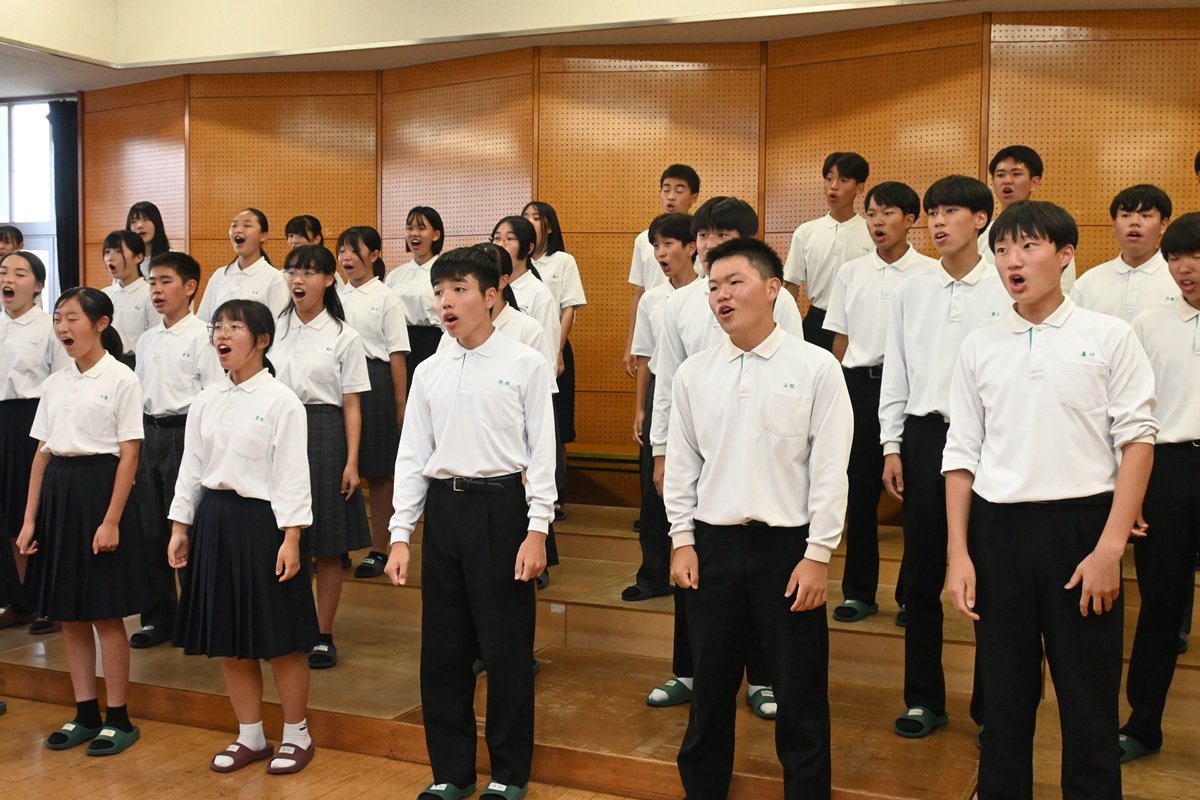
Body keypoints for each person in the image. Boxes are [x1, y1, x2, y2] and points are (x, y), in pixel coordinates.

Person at [944, 200, 1156, 799]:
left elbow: (1138, 442)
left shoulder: (1109, 336)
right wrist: (959, 553)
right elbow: (961, 453)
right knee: (1004, 702)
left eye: (1028, 246)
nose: (1013, 261)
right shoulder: (979, 345)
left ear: (1065, 255)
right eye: (1002, 250)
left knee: (1089, 703)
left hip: (1083, 531)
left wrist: (1110, 549)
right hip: (998, 532)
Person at [666, 236, 852, 800]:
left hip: (788, 550)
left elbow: (830, 470)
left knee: (800, 694)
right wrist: (681, 539)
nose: (721, 295)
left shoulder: (816, 367)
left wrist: (818, 554)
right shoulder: (694, 374)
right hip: (713, 547)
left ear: (773, 289)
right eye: (713, 287)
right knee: (710, 690)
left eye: (735, 282)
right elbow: (682, 466)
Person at [384, 246, 555, 800]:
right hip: (445, 512)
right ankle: (451, 773)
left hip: (502, 510)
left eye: (459, 290)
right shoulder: (429, 371)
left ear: (491, 296)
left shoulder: (524, 362)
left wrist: (537, 529)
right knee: (443, 652)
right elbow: (412, 455)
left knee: (506, 651)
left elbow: (543, 454)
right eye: (439, 292)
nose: (446, 302)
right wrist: (400, 534)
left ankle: (508, 774)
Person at [647, 196, 802, 717]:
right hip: (699, 448)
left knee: (757, 574)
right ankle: (688, 670)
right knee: (690, 561)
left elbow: (794, 373)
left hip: (759, 452)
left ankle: (762, 678)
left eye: (722, 236)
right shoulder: (680, 304)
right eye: (704, 236)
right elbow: (668, 383)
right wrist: (662, 450)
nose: (710, 245)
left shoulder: (777, 301)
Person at [878, 175, 1010, 739]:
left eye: (950, 211)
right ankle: (923, 699)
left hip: (993, 441)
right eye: (932, 212)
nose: (937, 222)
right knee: (921, 576)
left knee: (992, 577)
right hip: (925, 437)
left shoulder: (1006, 285)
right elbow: (897, 371)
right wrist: (891, 444)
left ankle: (992, 708)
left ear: (981, 219)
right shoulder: (912, 289)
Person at [168, 299, 319, 775]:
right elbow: (191, 467)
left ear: (262, 340)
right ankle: (250, 735)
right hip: (214, 519)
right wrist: (180, 526)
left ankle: (297, 734)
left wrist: (292, 538)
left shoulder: (281, 401)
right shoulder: (206, 399)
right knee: (229, 636)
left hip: (265, 524)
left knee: (281, 639)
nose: (222, 335)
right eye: (218, 326)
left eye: (234, 327)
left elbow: (293, 474)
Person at [17, 287, 146, 756]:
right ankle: (85, 712)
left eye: (72, 318)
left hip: (100, 490)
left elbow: (129, 454)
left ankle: (119, 717)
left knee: (106, 614)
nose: (63, 327)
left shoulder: (122, 378)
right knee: (69, 614)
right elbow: (41, 453)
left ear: (101, 323)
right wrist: (30, 520)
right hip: (59, 493)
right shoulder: (55, 383)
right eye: (58, 319)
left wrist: (111, 520)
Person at [822, 181, 936, 624]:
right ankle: (859, 592)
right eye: (871, 214)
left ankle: (912, 596)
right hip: (860, 386)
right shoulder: (851, 272)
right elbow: (840, 338)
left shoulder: (930, 272)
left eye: (888, 213)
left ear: (910, 220)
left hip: (914, 390)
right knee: (860, 492)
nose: (877, 222)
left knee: (919, 497)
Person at [1118, 211, 1200, 763]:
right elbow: (1133, 411)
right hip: (1166, 469)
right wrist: (1132, 490)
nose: (1183, 268)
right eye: (1174, 258)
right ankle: (1143, 724)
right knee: (1160, 607)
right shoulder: (1148, 323)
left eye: (1194, 256)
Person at [273, 245, 371, 669]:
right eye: (292, 271)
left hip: (324, 432)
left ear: (329, 280)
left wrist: (352, 461)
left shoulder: (344, 335)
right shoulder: (271, 329)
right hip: (275, 430)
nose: (298, 280)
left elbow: (351, 404)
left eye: (309, 272)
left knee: (327, 546)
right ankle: (285, 627)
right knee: (279, 534)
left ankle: (322, 633)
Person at [129, 252, 223, 649]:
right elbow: (138, 394)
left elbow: (214, 396)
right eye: (152, 282)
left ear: (190, 287)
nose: (156, 290)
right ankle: (159, 617)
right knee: (150, 529)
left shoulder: (204, 336)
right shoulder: (146, 339)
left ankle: (198, 618)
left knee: (187, 527)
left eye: (165, 281)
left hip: (186, 434)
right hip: (149, 434)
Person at [623, 213, 698, 605]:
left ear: (691, 247)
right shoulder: (652, 299)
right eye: (655, 246)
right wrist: (641, 409)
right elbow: (645, 358)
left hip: (699, 396)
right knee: (653, 489)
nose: (661, 253)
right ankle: (652, 575)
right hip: (660, 396)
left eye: (669, 244)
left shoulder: (708, 294)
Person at [336, 226, 410, 581]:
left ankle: (380, 548)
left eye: (354, 250)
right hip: (338, 381)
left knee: (380, 472)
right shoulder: (335, 295)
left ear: (375, 255)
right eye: (342, 251)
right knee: (339, 467)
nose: (346, 257)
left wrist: (401, 405)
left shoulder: (387, 297)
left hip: (375, 380)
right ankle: (337, 546)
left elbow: (396, 354)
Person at [0, 252, 68, 634]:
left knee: (37, 513)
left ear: (39, 285)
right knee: (9, 516)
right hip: (1, 420)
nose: (8, 279)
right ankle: (20, 600)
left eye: (19, 273)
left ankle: (49, 603)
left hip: (33, 421)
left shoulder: (48, 327)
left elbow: (63, 382)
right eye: (3, 272)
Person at [523, 201, 587, 520]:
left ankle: (556, 492)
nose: (530, 222)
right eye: (525, 217)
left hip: (555, 348)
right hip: (523, 352)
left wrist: (557, 351)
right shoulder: (516, 265)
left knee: (555, 422)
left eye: (536, 217)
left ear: (549, 226)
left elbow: (569, 309)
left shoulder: (562, 261)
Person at [782, 151, 874, 350]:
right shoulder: (806, 232)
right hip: (817, 321)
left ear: (859, 187)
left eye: (843, 180)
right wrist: (784, 329)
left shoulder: (872, 232)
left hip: (859, 321)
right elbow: (791, 285)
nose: (833, 186)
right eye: (829, 178)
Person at [623, 164, 701, 378]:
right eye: (666, 189)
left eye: (679, 190)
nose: (671, 196)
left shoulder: (702, 240)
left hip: (691, 332)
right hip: (654, 330)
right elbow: (639, 293)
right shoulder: (643, 240)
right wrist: (631, 344)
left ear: (694, 197)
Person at [1070, 184, 1177, 323]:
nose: (1134, 222)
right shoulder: (1088, 282)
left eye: (1145, 215)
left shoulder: (1179, 279)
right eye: (1126, 215)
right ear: (1114, 225)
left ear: (1163, 225)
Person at [978, 145, 1076, 293]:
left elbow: (1065, 288)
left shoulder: (1051, 230)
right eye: (1000, 175)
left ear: (1034, 182)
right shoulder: (982, 234)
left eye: (1016, 174)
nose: (1007, 180)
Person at [385, 206, 445, 390]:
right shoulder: (395, 275)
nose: (414, 234)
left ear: (435, 235)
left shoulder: (445, 270)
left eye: (421, 228)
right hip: (401, 344)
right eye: (409, 228)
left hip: (434, 342)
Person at [197, 208, 288, 322]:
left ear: (263, 236)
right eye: (234, 226)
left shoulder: (275, 278)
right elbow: (203, 321)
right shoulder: (219, 275)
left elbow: (280, 325)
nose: (238, 230)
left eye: (247, 226)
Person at [100, 230, 158, 367]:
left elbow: (156, 339)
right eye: (107, 252)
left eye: (118, 251)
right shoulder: (104, 295)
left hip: (136, 363)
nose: (110, 258)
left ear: (138, 257)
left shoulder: (150, 294)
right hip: (105, 363)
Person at [126, 201, 170, 280]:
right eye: (133, 221)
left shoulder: (173, 258)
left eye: (145, 219)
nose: (139, 225)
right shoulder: (125, 262)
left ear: (157, 223)